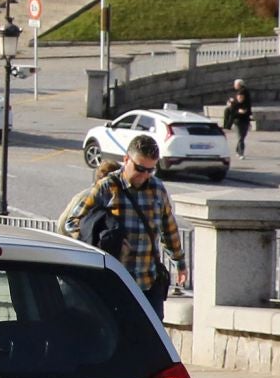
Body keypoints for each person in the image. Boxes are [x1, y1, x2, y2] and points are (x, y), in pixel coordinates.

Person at [60, 135, 188, 317]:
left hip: (148, 283)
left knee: (150, 341)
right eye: (140, 168)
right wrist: (100, 244)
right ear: (126, 159)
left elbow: (169, 228)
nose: (144, 175)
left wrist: (179, 263)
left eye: (150, 170)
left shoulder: (157, 189)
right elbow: (72, 222)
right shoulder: (107, 188)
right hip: (114, 281)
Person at [222, 78, 254, 159]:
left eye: (241, 97)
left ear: (239, 85)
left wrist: (232, 103)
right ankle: (241, 153)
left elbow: (239, 103)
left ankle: (237, 150)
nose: (239, 98)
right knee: (241, 137)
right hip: (238, 119)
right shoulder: (240, 92)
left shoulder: (242, 91)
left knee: (242, 137)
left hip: (244, 118)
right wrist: (232, 103)